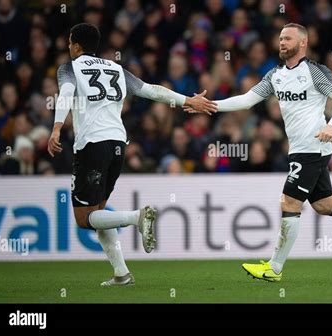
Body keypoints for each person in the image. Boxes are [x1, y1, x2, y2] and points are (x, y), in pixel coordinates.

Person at [186, 23, 332, 282]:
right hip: (299, 148)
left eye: (288, 38)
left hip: (312, 147)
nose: (282, 42)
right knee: (325, 204)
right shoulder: (275, 75)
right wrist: (209, 106)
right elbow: (246, 99)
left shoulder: (314, 71)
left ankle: (274, 268)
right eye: (280, 39)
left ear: (303, 43)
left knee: (289, 202)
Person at [48, 23, 216, 286]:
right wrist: (188, 100)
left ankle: (136, 217)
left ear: (77, 46)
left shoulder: (69, 68)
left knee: (84, 219)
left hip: (93, 144)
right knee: (100, 213)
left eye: (70, 42)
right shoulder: (115, 68)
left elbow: (67, 93)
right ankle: (121, 274)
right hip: (118, 144)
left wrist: (57, 127)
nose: (69, 47)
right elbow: (151, 90)